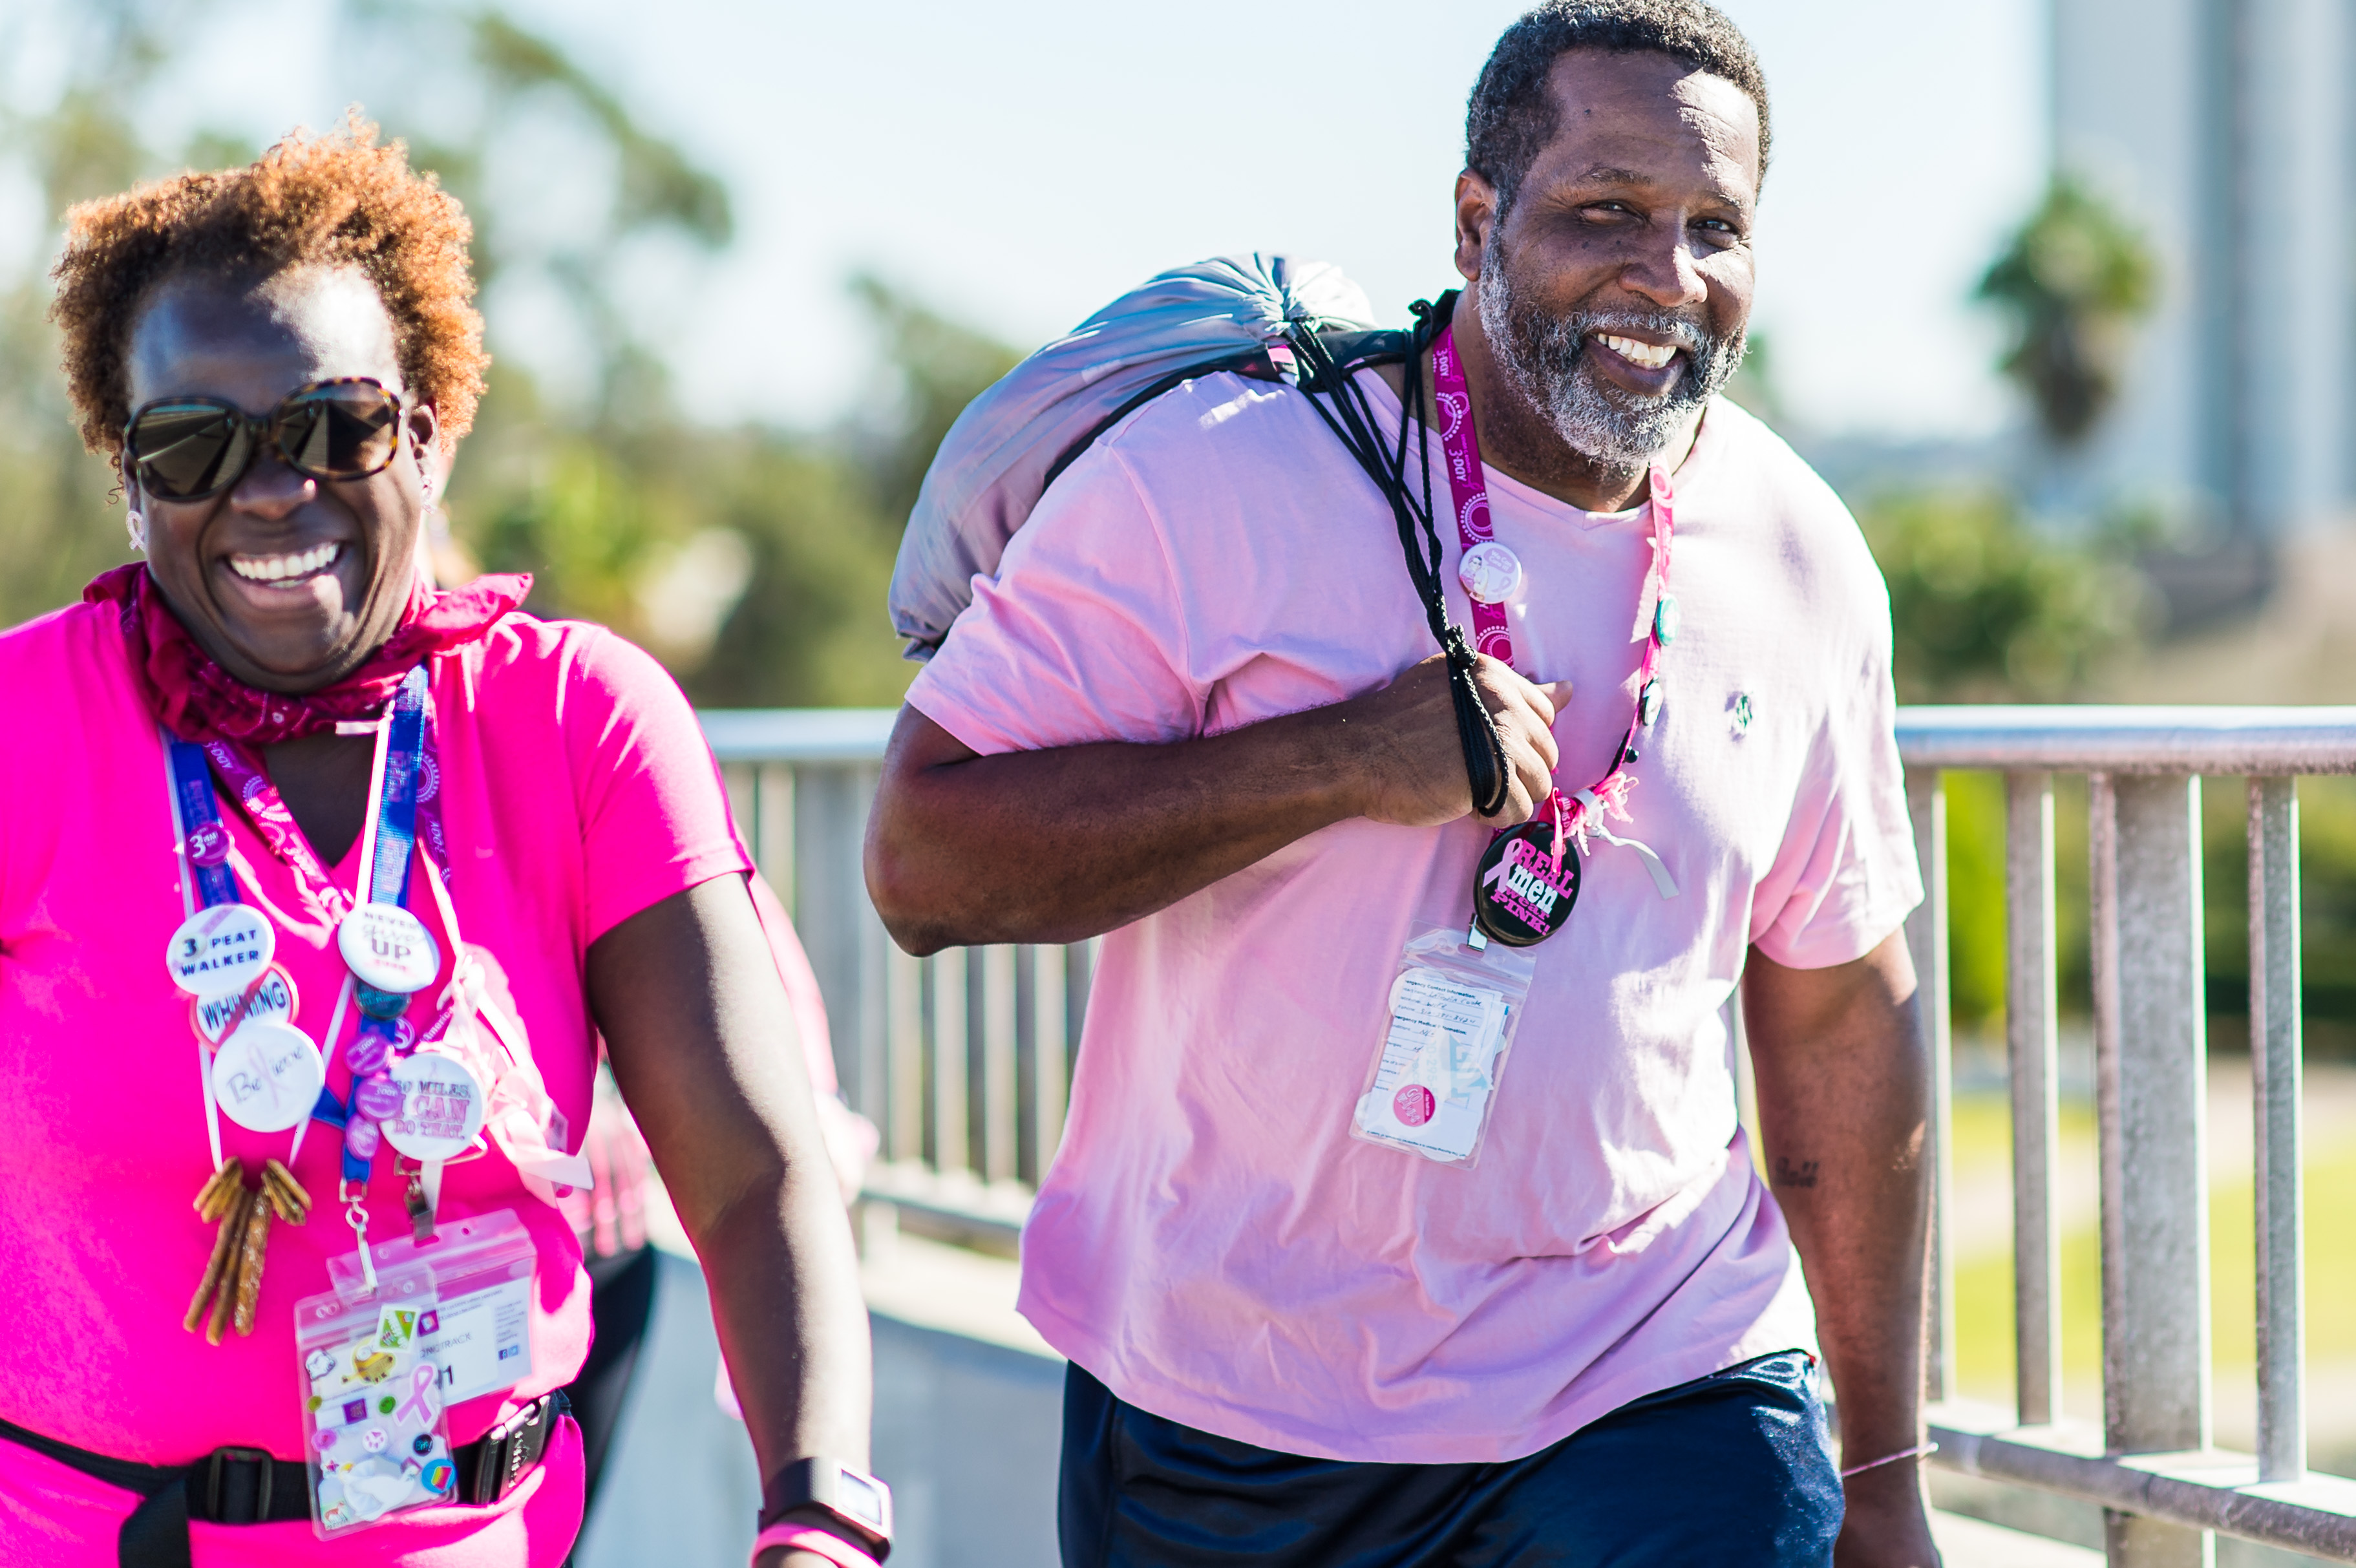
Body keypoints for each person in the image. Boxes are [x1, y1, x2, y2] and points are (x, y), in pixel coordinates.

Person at [867, 4, 1937, 1565]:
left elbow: (1839, 1005)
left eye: (1714, 227)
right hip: (1227, 1406)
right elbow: (921, 859)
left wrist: (1885, 1475)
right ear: (1473, 221)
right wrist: (1334, 761)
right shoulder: (1216, 477)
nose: (1666, 273)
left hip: (1652, 1370)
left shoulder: (1799, 556)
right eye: (1604, 211)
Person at [0, 120, 887, 1568]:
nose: (270, 489)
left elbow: (750, 1171)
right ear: (130, 481)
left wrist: (819, 1514)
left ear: (424, 434)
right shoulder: (24, 723)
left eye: (333, 425)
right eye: (190, 445)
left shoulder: (576, 721)